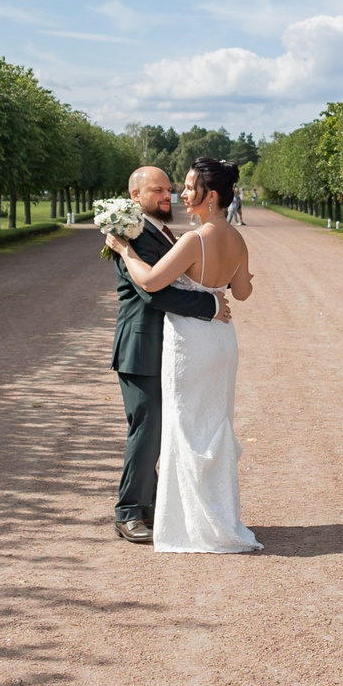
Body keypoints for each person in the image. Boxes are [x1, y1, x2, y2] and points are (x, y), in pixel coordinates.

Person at [107, 157, 259, 554]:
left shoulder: (188, 238)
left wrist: (124, 251)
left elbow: (152, 282)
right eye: (160, 189)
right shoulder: (235, 238)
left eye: (183, 187)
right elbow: (242, 292)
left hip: (191, 343)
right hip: (213, 341)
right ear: (134, 195)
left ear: (210, 195)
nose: (175, 193)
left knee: (185, 428)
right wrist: (214, 299)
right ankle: (179, 511)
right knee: (204, 425)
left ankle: (176, 512)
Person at [108, 166, 219, 544]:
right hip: (139, 348)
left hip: (163, 346)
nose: (166, 196)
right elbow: (153, 293)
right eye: (157, 190)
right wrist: (209, 305)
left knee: (158, 429)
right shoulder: (134, 234)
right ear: (134, 196)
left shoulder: (158, 231)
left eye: (168, 189)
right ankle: (128, 512)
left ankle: (152, 507)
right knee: (147, 429)